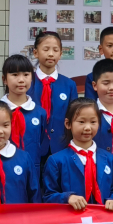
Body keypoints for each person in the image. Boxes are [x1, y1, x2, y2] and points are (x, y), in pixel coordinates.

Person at [29, 31, 77, 159]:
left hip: (61, 146)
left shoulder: (69, 84)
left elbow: (73, 116)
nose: (51, 54)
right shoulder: (27, 82)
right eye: (46, 49)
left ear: (60, 54)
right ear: (35, 52)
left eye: (55, 50)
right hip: (31, 144)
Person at [0, 53, 46, 162]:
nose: (21, 80)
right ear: (4, 79)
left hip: (32, 167)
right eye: (15, 75)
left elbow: (41, 141)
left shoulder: (39, 113)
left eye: (26, 74)